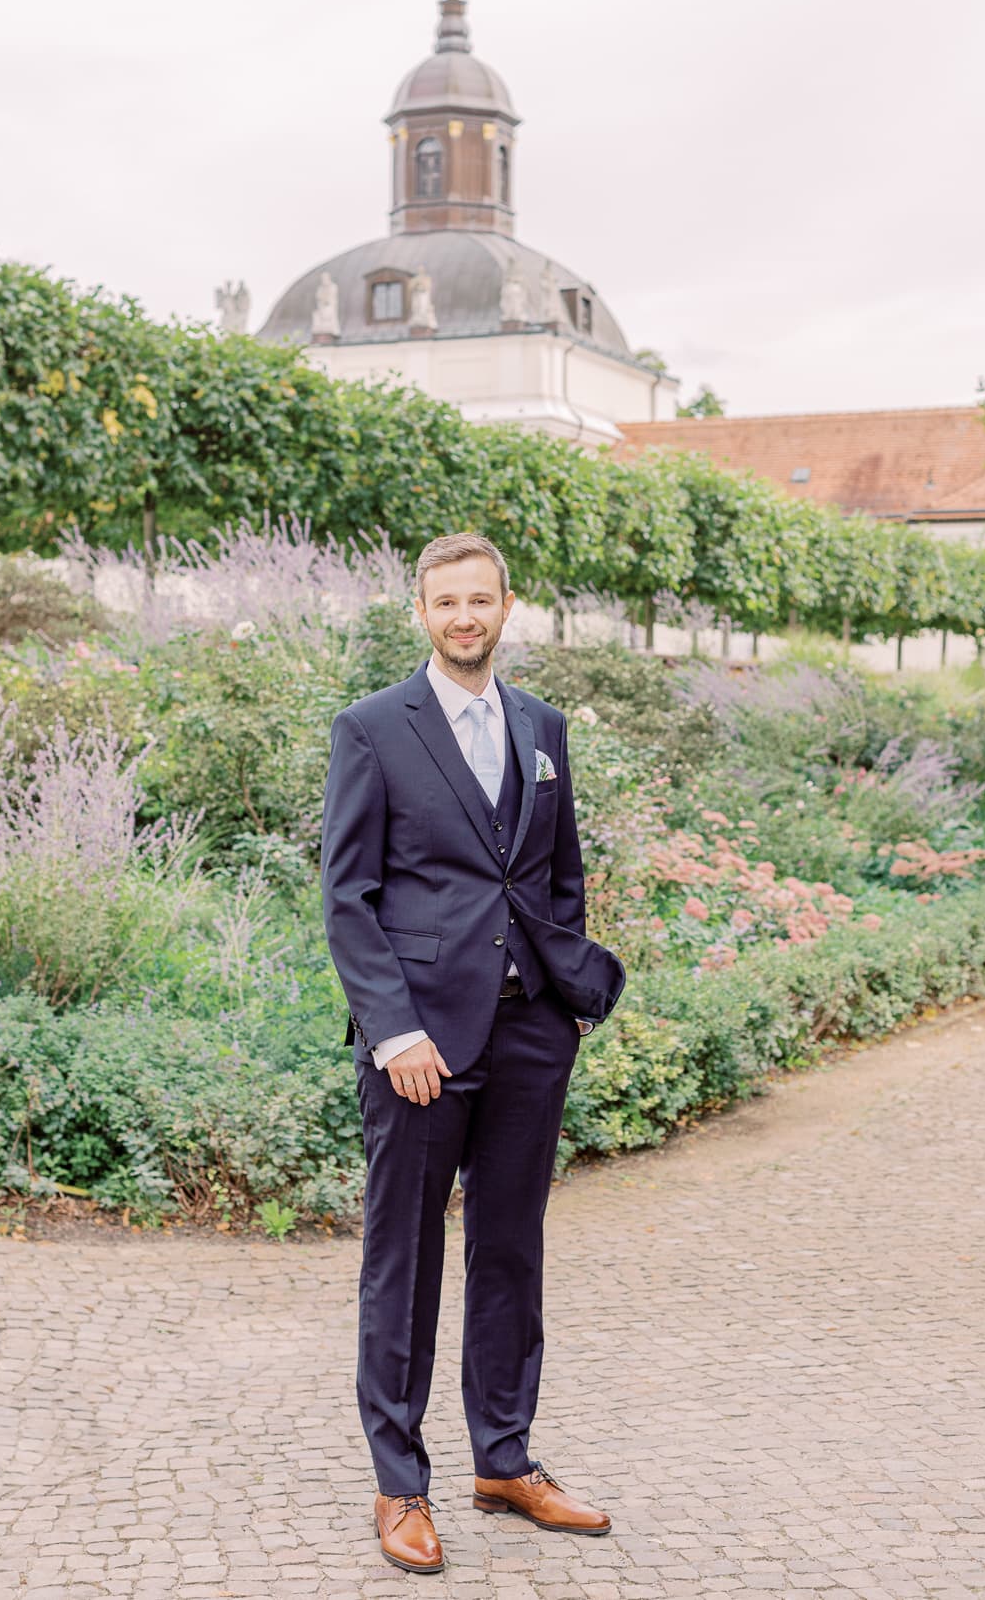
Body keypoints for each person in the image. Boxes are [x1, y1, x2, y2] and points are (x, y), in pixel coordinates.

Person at [321, 532, 626, 1574]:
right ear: (421, 611)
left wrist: (565, 1003)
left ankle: (504, 1459)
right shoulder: (371, 730)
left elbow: (559, 876)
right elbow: (347, 896)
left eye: (479, 600)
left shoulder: (543, 726)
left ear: (507, 607)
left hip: (531, 1033)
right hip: (421, 1047)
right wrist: (393, 1029)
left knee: (511, 1251)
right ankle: (400, 1484)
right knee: (403, 1264)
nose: (464, 617)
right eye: (445, 601)